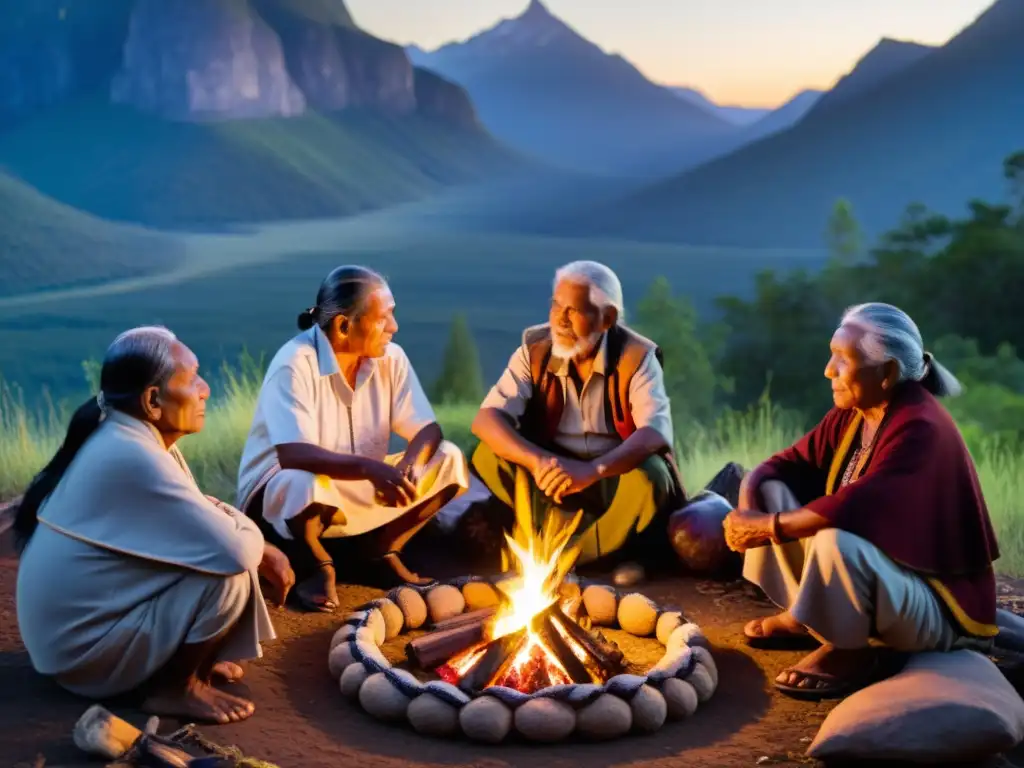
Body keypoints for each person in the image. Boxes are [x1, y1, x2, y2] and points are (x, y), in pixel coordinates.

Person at [723, 302, 1001, 700]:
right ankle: (809, 618)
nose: (828, 370)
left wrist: (766, 528)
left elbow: (855, 507)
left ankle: (849, 649)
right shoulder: (856, 412)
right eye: (831, 354)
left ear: (886, 372)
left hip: (939, 609)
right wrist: (748, 510)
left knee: (835, 535)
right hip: (886, 584)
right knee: (771, 491)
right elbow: (782, 465)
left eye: (842, 359)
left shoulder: (920, 428)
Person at [15, 327, 290, 725]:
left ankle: (184, 668)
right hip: (79, 656)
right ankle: (173, 688)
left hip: (68, 640)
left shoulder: (132, 438)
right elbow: (231, 550)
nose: (205, 389)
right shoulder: (132, 454)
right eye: (192, 377)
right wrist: (257, 540)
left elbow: (198, 513)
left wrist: (238, 530)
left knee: (214, 554)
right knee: (226, 575)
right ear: (153, 400)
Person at [237, 265, 470, 611]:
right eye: (383, 318)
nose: (394, 327)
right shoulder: (295, 362)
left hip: (351, 484)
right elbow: (292, 454)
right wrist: (369, 469)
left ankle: (382, 551)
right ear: (345, 326)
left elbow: (427, 429)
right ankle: (316, 565)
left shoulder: (391, 359)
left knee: (448, 457)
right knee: (301, 481)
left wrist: (411, 465)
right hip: (283, 501)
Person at [461, 260, 685, 579]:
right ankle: (560, 552)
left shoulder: (637, 356)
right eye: (556, 306)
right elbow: (486, 419)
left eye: (575, 311)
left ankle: (572, 560)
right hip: (551, 477)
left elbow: (654, 433)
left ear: (607, 319)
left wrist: (591, 470)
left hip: (611, 475)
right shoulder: (535, 349)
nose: (560, 320)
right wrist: (539, 462)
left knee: (651, 476)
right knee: (486, 454)